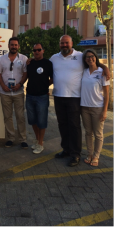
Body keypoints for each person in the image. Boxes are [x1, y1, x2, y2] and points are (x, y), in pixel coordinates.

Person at [50, 35, 110, 167]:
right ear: (59, 44)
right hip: (58, 97)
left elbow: (93, 61)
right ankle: (66, 149)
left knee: (74, 126)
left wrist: (105, 67)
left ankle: (75, 154)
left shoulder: (80, 56)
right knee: (62, 125)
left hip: (74, 98)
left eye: (67, 43)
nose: (64, 45)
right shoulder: (54, 58)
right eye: (62, 43)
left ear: (71, 43)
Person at [0, 37, 28, 149]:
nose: (14, 47)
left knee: (20, 116)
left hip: (18, 92)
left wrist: (19, 84)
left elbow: (25, 74)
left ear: (18, 46)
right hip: (5, 93)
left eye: (16, 45)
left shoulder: (24, 58)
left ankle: (23, 139)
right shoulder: (1, 59)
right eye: (12, 45)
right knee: (7, 117)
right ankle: (10, 138)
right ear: (8, 46)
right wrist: (3, 86)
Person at [81, 49, 109, 167]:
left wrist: (105, 111)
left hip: (98, 107)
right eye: (87, 57)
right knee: (88, 133)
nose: (90, 58)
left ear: (95, 57)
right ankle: (89, 154)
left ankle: (96, 156)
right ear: (85, 60)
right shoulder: (84, 71)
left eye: (92, 56)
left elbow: (107, 94)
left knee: (98, 134)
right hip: (84, 107)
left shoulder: (102, 72)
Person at [26, 43, 53, 154]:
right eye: (34, 50)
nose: (36, 52)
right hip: (29, 96)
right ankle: (38, 141)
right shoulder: (30, 63)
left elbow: (53, 78)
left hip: (42, 96)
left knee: (41, 121)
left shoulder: (48, 63)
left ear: (43, 50)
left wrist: (45, 85)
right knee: (32, 120)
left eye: (38, 50)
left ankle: (41, 144)